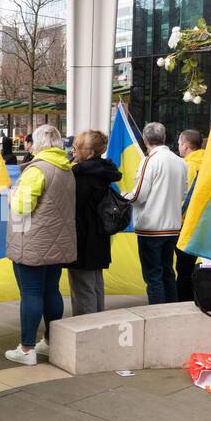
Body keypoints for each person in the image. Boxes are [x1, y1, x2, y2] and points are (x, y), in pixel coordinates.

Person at [5, 124, 76, 365]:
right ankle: (51, 341)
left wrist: (12, 196)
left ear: (38, 144)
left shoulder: (37, 170)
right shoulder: (66, 169)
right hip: (57, 242)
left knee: (31, 294)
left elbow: (22, 208)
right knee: (51, 291)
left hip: (33, 242)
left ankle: (26, 349)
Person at [125, 122, 186, 304]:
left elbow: (139, 195)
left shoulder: (149, 161)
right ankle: (171, 311)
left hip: (152, 228)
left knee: (153, 277)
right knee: (168, 272)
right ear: (164, 138)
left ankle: (157, 314)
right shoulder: (180, 162)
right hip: (173, 227)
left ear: (144, 140)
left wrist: (124, 196)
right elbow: (183, 192)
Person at [67, 129, 121, 317]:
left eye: (76, 147)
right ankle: (99, 322)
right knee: (96, 283)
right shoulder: (103, 172)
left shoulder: (82, 176)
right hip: (99, 236)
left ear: (88, 152)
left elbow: (73, 206)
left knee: (83, 287)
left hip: (83, 237)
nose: (73, 151)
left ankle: (86, 330)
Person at [175, 129, 205, 303]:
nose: (179, 146)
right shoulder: (209, 162)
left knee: (184, 269)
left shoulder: (188, 166)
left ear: (185, 146)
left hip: (187, 224)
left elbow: (183, 198)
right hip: (205, 224)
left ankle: (184, 302)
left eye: (179, 143)